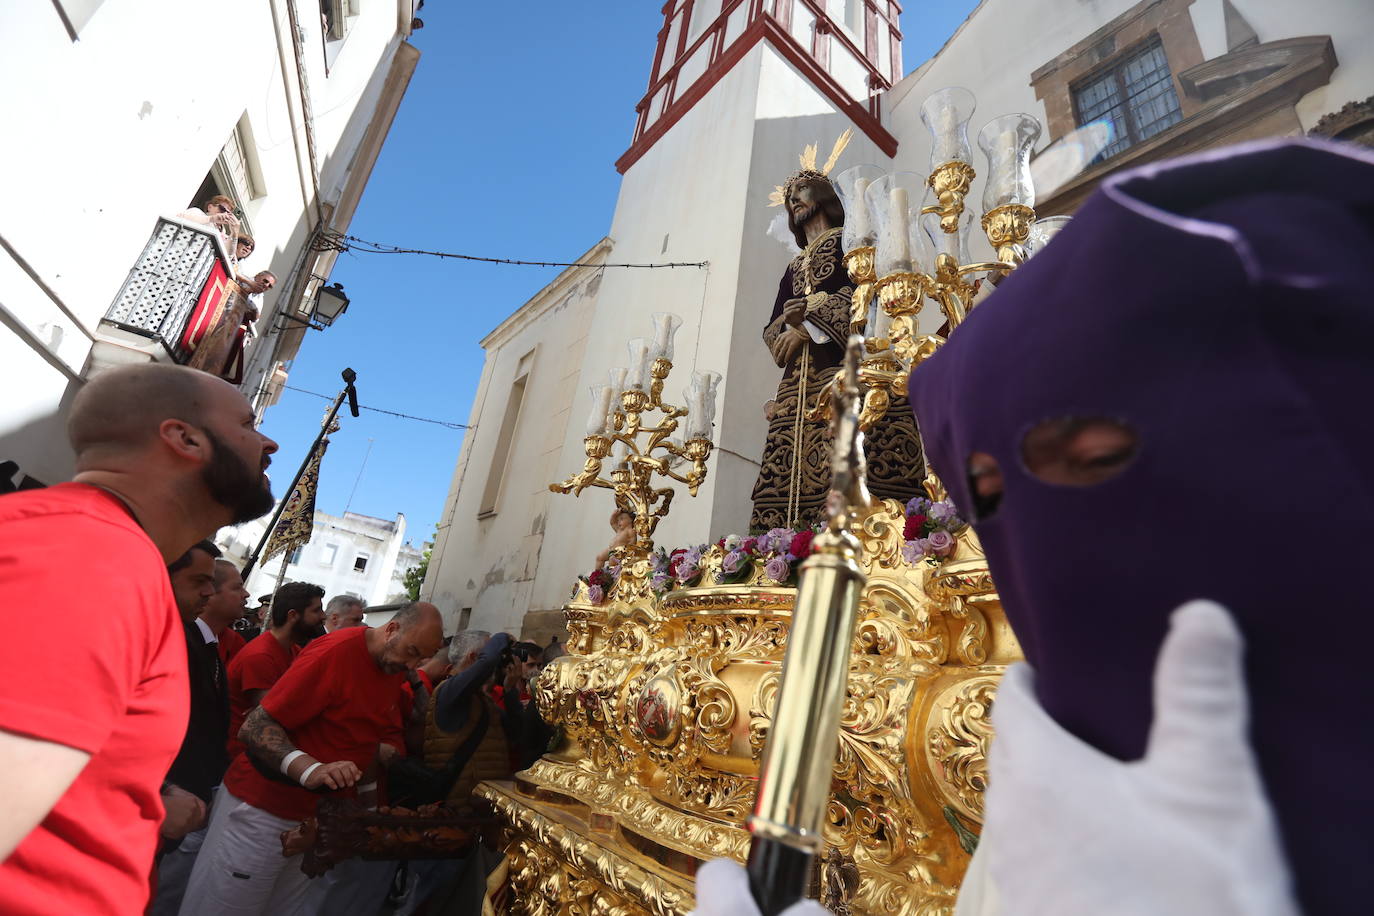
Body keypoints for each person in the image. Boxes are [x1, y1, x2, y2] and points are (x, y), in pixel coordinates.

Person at [0, 362, 277, 915]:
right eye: (248, 423)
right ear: (185, 439)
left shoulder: (105, 552)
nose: (267, 441)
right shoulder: (91, 555)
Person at [180, 602, 444, 915]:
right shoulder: (337, 652)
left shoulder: (390, 666)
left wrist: (368, 814)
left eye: (420, 658)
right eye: (411, 651)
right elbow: (255, 726)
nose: (411, 664)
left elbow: (365, 742)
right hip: (265, 812)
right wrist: (310, 769)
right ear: (392, 629)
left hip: (311, 822)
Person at [749, 150, 923, 529]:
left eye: (803, 190)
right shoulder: (792, 267)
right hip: (795, 391)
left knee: (844, 462)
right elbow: (771, 327)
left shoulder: (851, 241)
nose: (794, 198)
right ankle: (781, 550)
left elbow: (867, 295)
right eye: (789, 194)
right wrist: (786, 329)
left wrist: (808, 321)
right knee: (787, 477)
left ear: (825, 197)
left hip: (844, 371)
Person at [154, 541, 232, 916]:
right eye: (200, 580)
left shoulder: (188, 639)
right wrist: (158, 796)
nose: (209, 591)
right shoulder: (158, 636)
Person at [224, 581, 325, 761]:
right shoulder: (260, 656)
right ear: (293, 615)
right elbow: (274, 715)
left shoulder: (293, 650)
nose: (323, 616)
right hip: (242, 757)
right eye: (316, 610)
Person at [203, 558, 250, 665]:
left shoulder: (234, 642)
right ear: (210, 592)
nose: (246, 594)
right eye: (237, 588)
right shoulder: (179, 639)